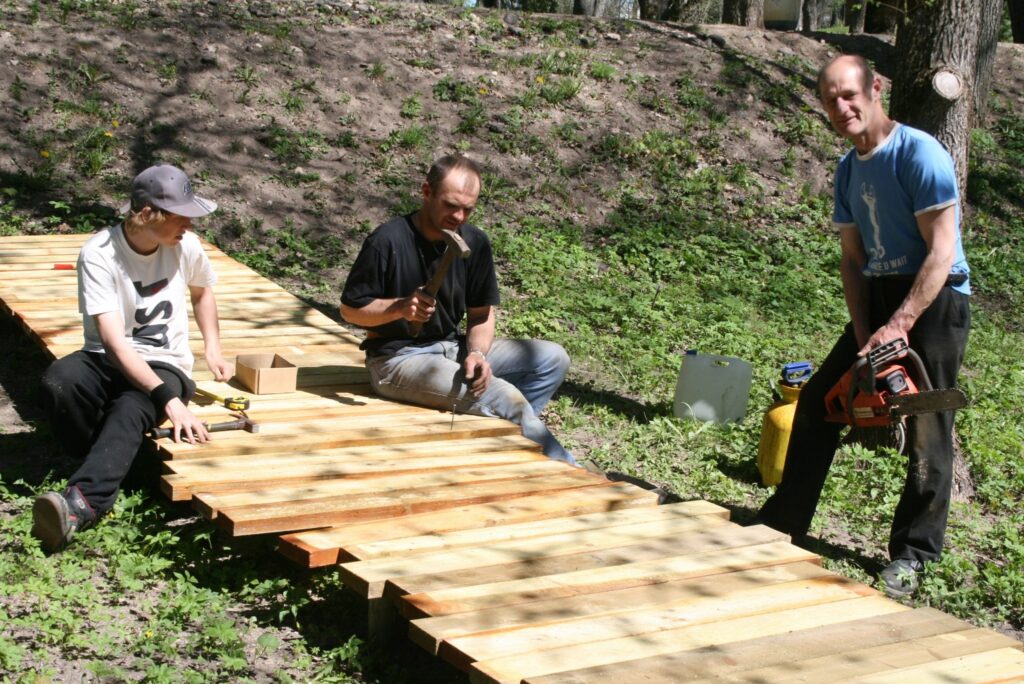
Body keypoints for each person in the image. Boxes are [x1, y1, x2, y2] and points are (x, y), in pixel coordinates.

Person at [754, 55, 971, 598]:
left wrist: (899, 326)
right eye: (830, 99)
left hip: (935, 298)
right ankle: (785, 521)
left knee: (928, 427)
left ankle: (913, 556)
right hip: (877, 295)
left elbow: (941, 252)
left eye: (849, 94)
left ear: (875, 89)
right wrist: (861, 332)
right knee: (821, 402)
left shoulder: (919, 153)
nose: (841, 107)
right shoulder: (849, 168)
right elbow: (853, 259)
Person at [32, 164, 232, 553]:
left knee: (131, 406)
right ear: (145, 215)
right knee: (60, 381)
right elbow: (113, 342)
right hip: (109, 354)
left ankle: (81, 505)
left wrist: (213, 348)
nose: (189, 227)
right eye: (180, 218)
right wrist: (171, 404)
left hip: (166, 361)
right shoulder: (99, 253)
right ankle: (115, 461)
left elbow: (202, 292)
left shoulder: (186, 247)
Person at [340, 154, 575, 464]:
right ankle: (569, 469)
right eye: (451, 205)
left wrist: (477, 353)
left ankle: (510, 447)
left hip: (453, 348)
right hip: (396, 360)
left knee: (551, 358)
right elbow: (350, 311)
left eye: (468, 209)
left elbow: (481, 315)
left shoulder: (475, 242)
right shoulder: (388, 240)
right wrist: (398, 308)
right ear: (427, 191)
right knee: (504, 395)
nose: (460, 217)